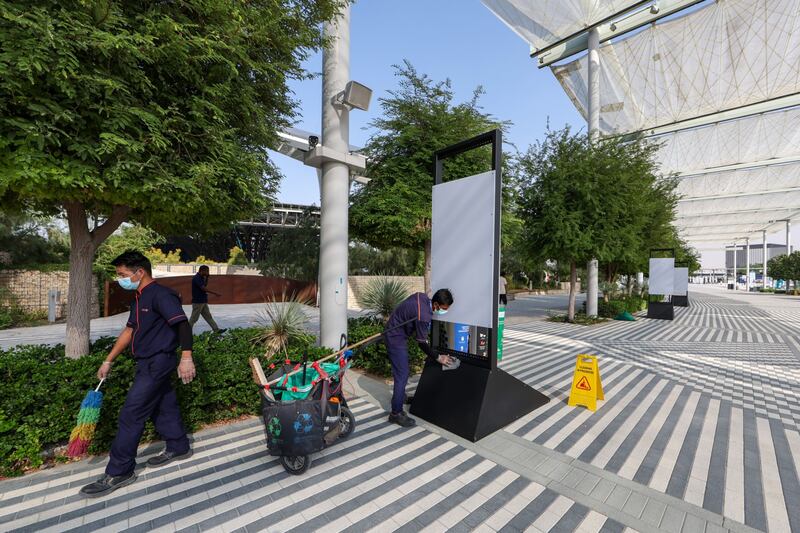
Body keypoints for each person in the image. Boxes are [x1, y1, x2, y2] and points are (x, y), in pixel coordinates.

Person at [80, 251, 196, 498]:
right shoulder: (139, 298)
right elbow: (130, 331)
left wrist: (186, 357)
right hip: (146, 363)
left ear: (139, 272)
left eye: (122, 274)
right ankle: (178, 445)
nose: (120, 279)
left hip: (158, 361)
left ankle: (121, 470)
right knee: (164, 405)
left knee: (131, 414)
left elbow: (182, 324)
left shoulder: (161, 295)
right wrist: (108, 360)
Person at [384, 289, 455, 427]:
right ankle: (395, 413)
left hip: (395, 330)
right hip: (395, 337)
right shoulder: (423, 315)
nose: (444, 311)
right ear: (435, 304)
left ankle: (400, 397)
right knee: (402, 374)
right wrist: (438, 357)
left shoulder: (421, 296)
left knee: (402, 369)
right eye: (444, 309)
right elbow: (421, 343)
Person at [189, 265, 226, 333]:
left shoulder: (201, 277)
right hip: (198, 301)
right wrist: (215, 293)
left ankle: (216, 330)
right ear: (202, 270)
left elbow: (204, 285)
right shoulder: (196, 278)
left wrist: (206, 278)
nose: (208, 272)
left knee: (208, 317)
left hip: (203, 301)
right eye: (207, 271)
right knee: (194, 318)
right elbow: (203, 288)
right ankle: (186, 332)